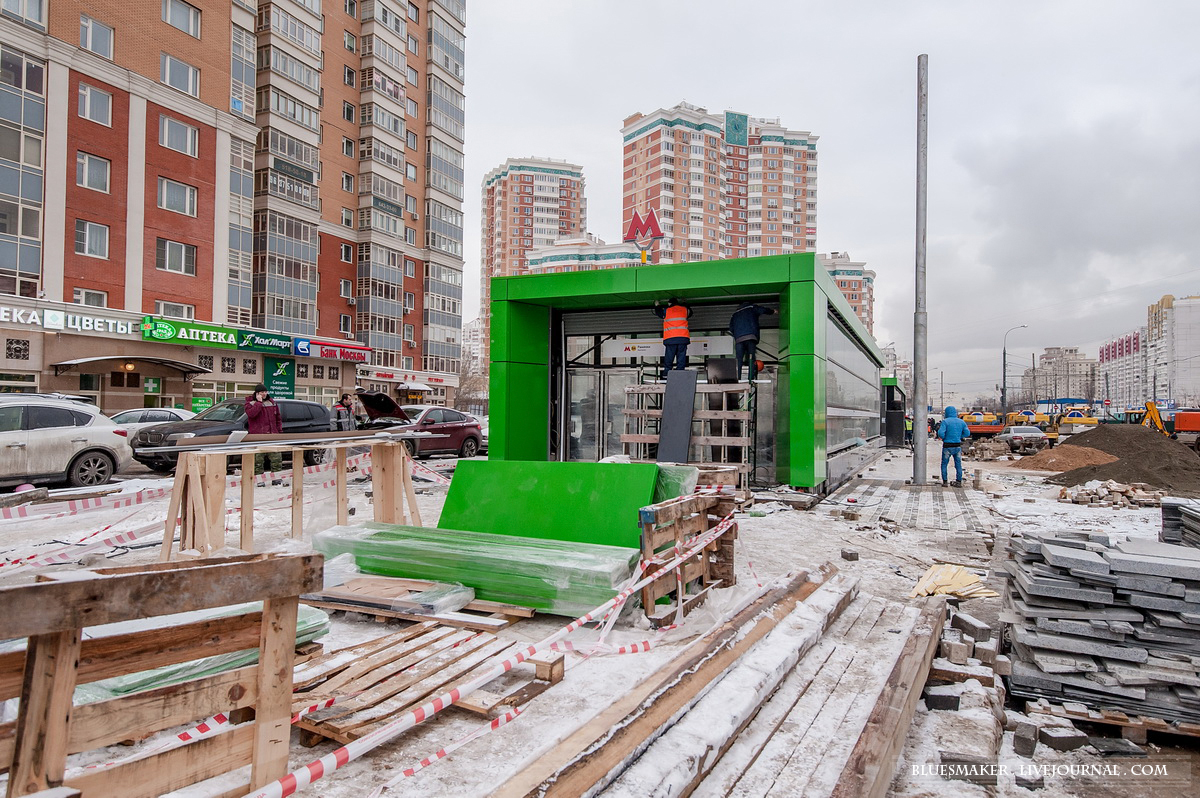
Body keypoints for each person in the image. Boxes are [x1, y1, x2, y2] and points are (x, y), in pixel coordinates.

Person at [245, 384, 283, 481]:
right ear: (257, 393)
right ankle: (259, 480)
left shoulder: (272, 403)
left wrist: (279, 432)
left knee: (276, 459)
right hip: (258, 437)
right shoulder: (250, 403)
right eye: (262, 392)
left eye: (265, 392)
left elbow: (278, 418)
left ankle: (276, 479)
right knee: (258, 461)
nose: (264, 394)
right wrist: (259, 403)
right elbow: (252, 414)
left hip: (272, 436)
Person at [728, 301, 775, 380]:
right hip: (750, 337)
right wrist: (773, 311)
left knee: (738, 360)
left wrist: (738, 334)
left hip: (739, 339)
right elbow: (763, 310)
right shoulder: (752, 308)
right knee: (751, 358)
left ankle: (737, 378)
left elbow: (731, 328)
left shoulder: (735, 314)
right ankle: (751, 378)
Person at [654, 297, 693, 378]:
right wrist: (685, 303)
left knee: (669, 356)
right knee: (681, 357)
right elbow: (690, 312)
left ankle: (667, 373)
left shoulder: (666, 310)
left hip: (671, 338)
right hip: (683, 338)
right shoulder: (684, 310)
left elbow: (658, 312)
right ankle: (680, 371)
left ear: (669, 303)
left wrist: (657, 305)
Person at [937, 406, 971, 487]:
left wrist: (945, 437)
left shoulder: (945, 422)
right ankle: (958, 481)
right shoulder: (961, 422)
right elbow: (967, 433)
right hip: (957, 446)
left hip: (947, 446)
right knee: (958, 464)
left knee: (944, 464)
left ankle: (945, 481)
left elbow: (940, 433)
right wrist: (960, 437)